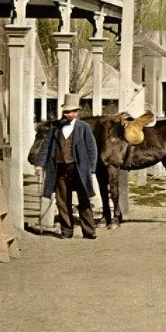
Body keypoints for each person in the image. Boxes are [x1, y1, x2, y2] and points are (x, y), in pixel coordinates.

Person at [35, 93, 98, 239]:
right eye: (65, 111)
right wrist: (40, 165)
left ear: (77, 113)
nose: (66, 114)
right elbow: (46, 147)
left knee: (84, 199)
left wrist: (91, 169)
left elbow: (91, 148)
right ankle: (67, 231)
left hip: (79, 169)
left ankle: (89, 231)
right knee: (62, 201)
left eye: (70, 112)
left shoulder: (84, 127)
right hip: (59, 169)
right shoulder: (55, 127)